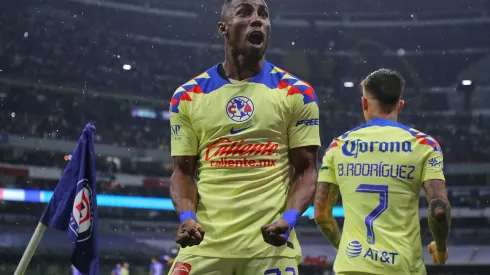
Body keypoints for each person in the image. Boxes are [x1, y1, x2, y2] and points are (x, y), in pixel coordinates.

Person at [168, 0, 320, 273]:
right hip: (206, 246)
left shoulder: (297, 93)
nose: (257, 19)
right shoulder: (187, 96)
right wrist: (187, 217)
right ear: (222, 28)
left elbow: (307, 170)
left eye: (263, 14)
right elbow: (182, 172)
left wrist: (289, 219)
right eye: (245, 12)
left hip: (270, 248)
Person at [313, 69, 451, 275]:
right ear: (400, 105)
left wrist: (346, 250)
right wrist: (440, 248)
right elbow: (439, 210)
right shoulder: (425, 145)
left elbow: (321, 215)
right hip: (403, 267)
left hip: (353, 267)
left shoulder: (338, 146)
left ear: (364, 104)